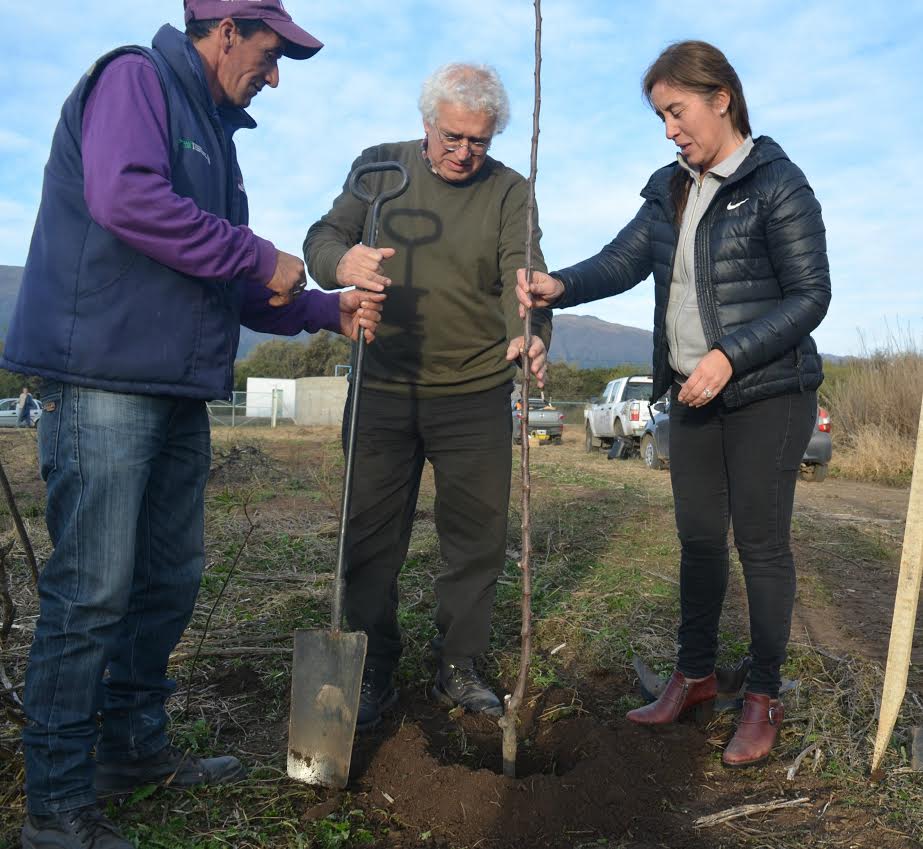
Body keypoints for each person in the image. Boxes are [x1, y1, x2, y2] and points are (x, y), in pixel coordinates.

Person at [1, 3, 385, 847]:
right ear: (225, 30)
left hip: (174, 387)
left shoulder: (217, 141)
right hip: (103, 377)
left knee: (169, 579)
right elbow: (125, 198)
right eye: (270, 52)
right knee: (91, 591)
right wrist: (258, 254)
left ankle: (132, 750)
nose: (275, 74)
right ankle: (57, 810)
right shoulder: (135, 81)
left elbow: (228, 273)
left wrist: (324, 307)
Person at [518, 40, 830, 767]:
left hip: (766, 393)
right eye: (659, 116)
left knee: (759, 543)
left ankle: (760, 696)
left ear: (720, 98)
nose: (668, 129)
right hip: (690, 394)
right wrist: (556, 283)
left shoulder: (778, 183)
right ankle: (692, 677)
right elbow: (624, 260)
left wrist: (728, 355)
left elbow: (810, 295)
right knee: (696, 539)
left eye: (676, 111)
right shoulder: (669, 186)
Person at [304, 63, 551, 730]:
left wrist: (527, 331)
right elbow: (321, 240)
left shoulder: (510, 191)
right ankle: (372, 664)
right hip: (383, 388)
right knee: (369, 538)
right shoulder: (378, 169)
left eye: (479, 140)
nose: (464, 151)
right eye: (451, 137)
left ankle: (459, 664)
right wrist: (342, 264)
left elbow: (519, 272)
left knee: (476, 540)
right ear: (425, 124)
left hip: (473, 390)